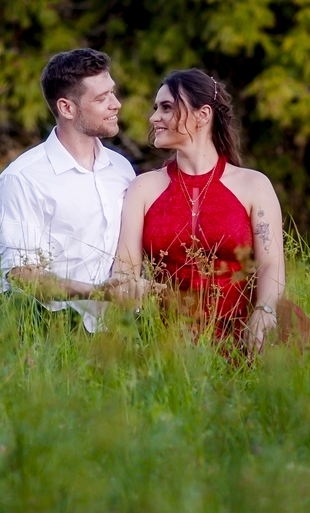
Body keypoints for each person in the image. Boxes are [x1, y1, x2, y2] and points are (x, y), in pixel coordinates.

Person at [111, 69, 292, 354]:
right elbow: (126, 264)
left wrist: (265, 311)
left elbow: (271, 263)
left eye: (167, 107)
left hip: (249, 335)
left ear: (203, 114)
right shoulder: (143, 188)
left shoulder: (253, 185)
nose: (154, 117)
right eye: (156, 108)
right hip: (172, 345)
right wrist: (127, 286)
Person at [0, 48, 149, 336]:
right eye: (101, 98)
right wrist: (98, 293)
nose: (116, 104)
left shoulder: (121, 169)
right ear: (67, 108)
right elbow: (23, 275)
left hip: (108, 324)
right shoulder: (23, 178)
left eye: (112, 93)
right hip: (37, 316)